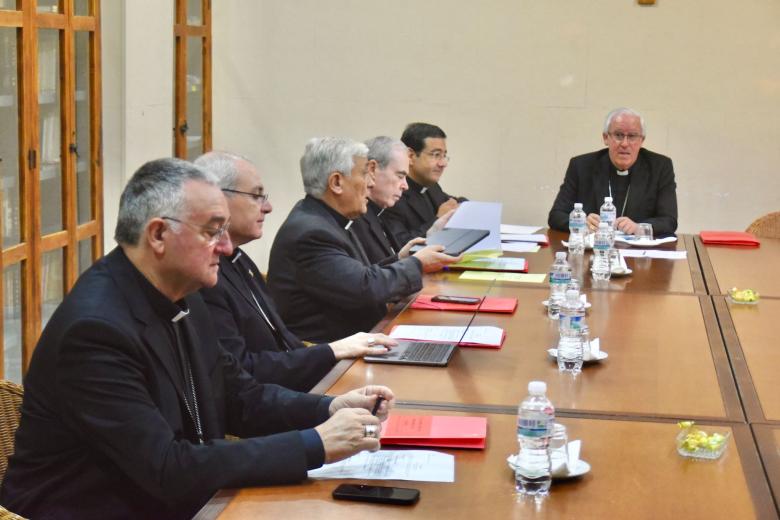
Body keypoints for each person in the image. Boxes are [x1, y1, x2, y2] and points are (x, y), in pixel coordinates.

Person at [0, 158, 395, 519]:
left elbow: (241, 396)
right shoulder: (95, 331)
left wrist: (328, 408)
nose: (225, 246)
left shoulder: (181, 293)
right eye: (212, 231)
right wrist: (314, 444)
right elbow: (166, 467)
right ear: (158, 235)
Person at [196, 151, 395, 392]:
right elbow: (244, 371)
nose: (268, 207)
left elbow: (285, 342)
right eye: (257, 196)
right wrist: (334, 352)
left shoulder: (239, 259)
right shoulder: (204, 278)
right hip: (269, 402)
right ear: (218, 200)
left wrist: (337, 354)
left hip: (291, 387)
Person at [267, 137, 457, 343]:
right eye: (365, 174)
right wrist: (417, 263)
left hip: (359, 339)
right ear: (337, 182)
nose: (371, 182)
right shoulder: (312, 232)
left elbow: (357, 277)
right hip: (330, 357)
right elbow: (364, 289)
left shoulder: (326, 217)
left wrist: (400, 259)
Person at [548, 107, 678, 236]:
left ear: (641, 140)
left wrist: (639, 227)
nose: (625, 143)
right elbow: (556, 216)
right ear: (606, 138)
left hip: (638, 252)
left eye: (632, 136)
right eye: (618, 135)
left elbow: (669, 220)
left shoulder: (660, 167)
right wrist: (581, 222)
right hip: (594, 249)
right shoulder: (581, 166)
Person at [351, 136, 452, 265]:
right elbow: (368, 277)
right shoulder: (355, 218)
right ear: (372, 170)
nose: (405, 186)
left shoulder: (378, 210)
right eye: (400, 176)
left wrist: (432, 232)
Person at [382, 122, 466, 245]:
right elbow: (400, 245)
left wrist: (465, 206)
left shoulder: (430, 185)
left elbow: (451, 201)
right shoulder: (392, 194)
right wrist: (438, 220)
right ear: (410, 155)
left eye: (444, 156)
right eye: (436, 155)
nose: (443, 163)